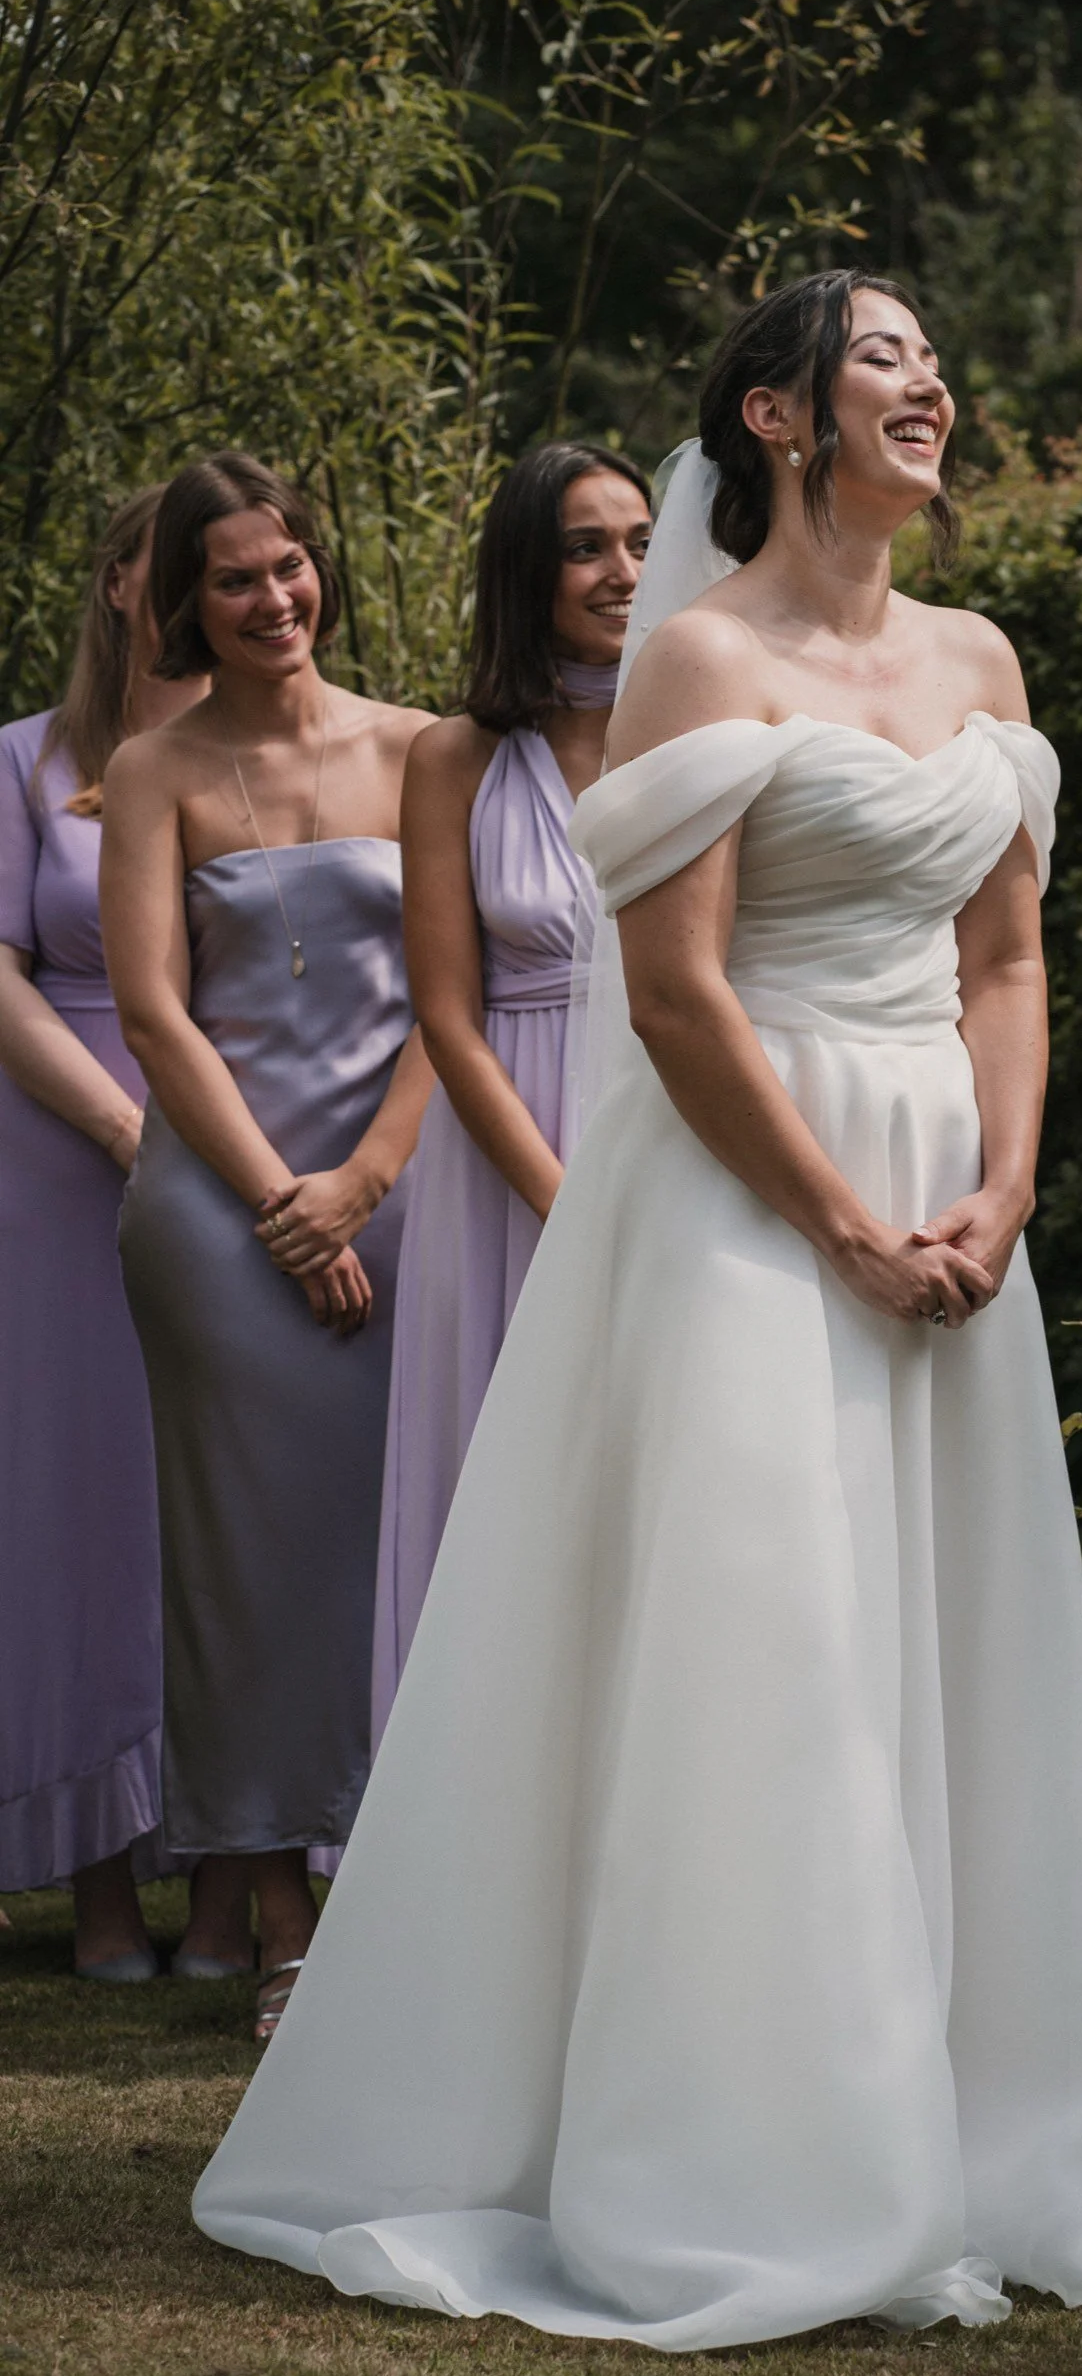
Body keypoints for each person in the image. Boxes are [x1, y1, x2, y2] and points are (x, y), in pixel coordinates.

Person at [192, 274, 1082, 2341]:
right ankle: (755, 2136)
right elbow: (673, 994)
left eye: (937, 351)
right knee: (774, 1641)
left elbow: (1003, 963)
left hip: (945, 1193)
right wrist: (838, 1218)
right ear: (774, 412)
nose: (931, 381)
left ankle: (979, 2094)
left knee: (951, 1638)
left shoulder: (979, 656)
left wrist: (998, 1186)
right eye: (885, 356)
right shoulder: (700, 660)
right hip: (752, 1197)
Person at [103, 453, 432, 2041]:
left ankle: (414, 1886)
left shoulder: (426, 748)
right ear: (187, 600)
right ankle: (282, 1919)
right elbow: (157, 1017)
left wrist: (363, 1182)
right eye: (232, 577)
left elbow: (466, 995)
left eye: (288, 565)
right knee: (243, 1560)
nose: (271, 599)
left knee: (404, 1544)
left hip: (403, 1186)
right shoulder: (155, 773)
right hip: (218, 1214)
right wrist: (283, 1213)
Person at [373, 443, 650, 1739]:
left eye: (640, 541)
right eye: (587, 547)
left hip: (675, 1126)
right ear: (526, 572)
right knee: (508, 1487)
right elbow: (445, 1012)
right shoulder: (454, 760)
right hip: (508, 1161)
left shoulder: (706, 729)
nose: (622, 572)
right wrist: (562, 1198)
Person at [0, 489, 209, 1979]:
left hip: (252, 1139)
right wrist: (128, 1128)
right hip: (64, 1158)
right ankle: (98, 1882)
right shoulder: (24, 762)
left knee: (220, 1500)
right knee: (82, 1509)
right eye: (180, 562)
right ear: (121, 583)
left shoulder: (274, 753)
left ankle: (233, 1871)